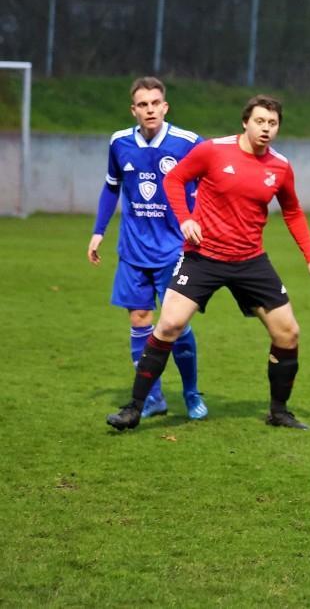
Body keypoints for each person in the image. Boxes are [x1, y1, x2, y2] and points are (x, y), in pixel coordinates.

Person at [106, 95, 310, 431]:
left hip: (250, 260)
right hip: (203, 256)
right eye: (260, 121)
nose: (266, 129)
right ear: (245, 122)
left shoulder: (280, 167)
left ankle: (279, 412)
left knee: (288, 333)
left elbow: (293, 211)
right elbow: (174, 179)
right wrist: (185, 219)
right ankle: (135, 408)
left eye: (272, 123)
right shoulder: (214, 150)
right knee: (168, 326)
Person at [88, 76, 205, 420]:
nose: (150, 109)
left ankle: (191, 391)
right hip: (133, 250)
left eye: (155, 103)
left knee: (176, 325)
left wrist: (197, 220)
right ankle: (153, 397)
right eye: (143, 104)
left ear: (165, 107)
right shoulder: (120, 142)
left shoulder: (188, 143)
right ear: (134, 110)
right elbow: (111, 188)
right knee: (140, 319)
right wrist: (98, 232)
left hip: (175, 251)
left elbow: (209, 183)